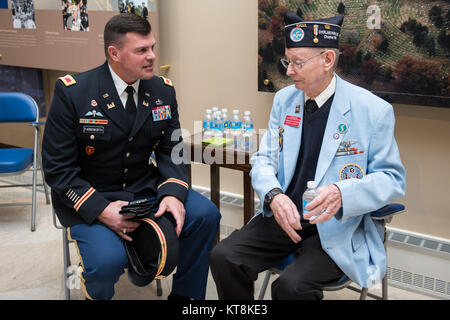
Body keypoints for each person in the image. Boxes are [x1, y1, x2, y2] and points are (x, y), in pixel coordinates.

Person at [210, 11, 406, 300]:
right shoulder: (284, 100)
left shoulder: (372, 111)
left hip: (337, 226)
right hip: (285, 217)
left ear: (328, 60)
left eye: (297, 62)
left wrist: (343, 191)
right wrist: (274, 196)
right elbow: (264, 160)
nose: (289, 70)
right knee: (224, 257)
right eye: (287, 61)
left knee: (290, 287)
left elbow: (392, 179)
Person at [42, 13, 221, 300]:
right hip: (92, 196)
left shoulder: (163, 90)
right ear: (114, 53)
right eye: (141, 50)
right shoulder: (74, 93)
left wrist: (173, 193)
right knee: (106, 262)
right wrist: (102, 210)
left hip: (143, 189)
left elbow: (170, 150)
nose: (151, 56)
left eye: (152, 47)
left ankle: (187, 299)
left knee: (205, 215)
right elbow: (57, 169)